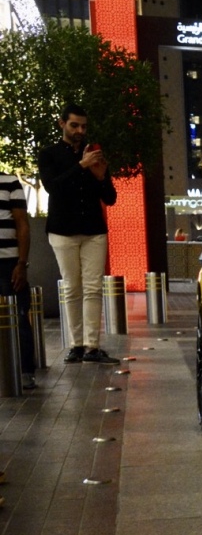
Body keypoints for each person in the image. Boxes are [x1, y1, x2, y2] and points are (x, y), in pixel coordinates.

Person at [37, 104, 120, 364]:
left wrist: (101, 176)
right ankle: (76, 346)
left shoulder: (94, 155)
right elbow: (53, 187)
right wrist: (81, 165)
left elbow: (111, 198)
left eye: (83, 126)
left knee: (94, 288)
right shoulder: (48, 154)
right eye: (74, 125)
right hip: (62, 230)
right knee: (72, 288)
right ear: (62, 124)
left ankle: (93, 347)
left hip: (94, 230)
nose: (79, 131)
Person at [0, 173, 36, 389]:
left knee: (19, 317)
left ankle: (26, 370)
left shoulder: (10, 182)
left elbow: (22, 224)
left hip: (8, 262)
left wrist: (21, 264)